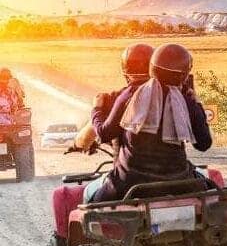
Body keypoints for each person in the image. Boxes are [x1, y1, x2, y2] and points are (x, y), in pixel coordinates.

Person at [84, 43, 212, 203]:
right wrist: (196, 103)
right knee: (213, 193)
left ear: (152, 67)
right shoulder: (186, 99)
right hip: (180, 183)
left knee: (89, 202)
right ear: (185, 74)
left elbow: (104, 133)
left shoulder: (129, 94)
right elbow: (204, 144)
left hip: (128, 185)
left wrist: (96, 109)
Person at [72, 43, 155, 153]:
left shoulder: (117, 98)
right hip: (176, 169)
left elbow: (87, 137)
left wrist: (97, 109)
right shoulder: (173, 97)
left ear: (125, 71)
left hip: (130, 168)